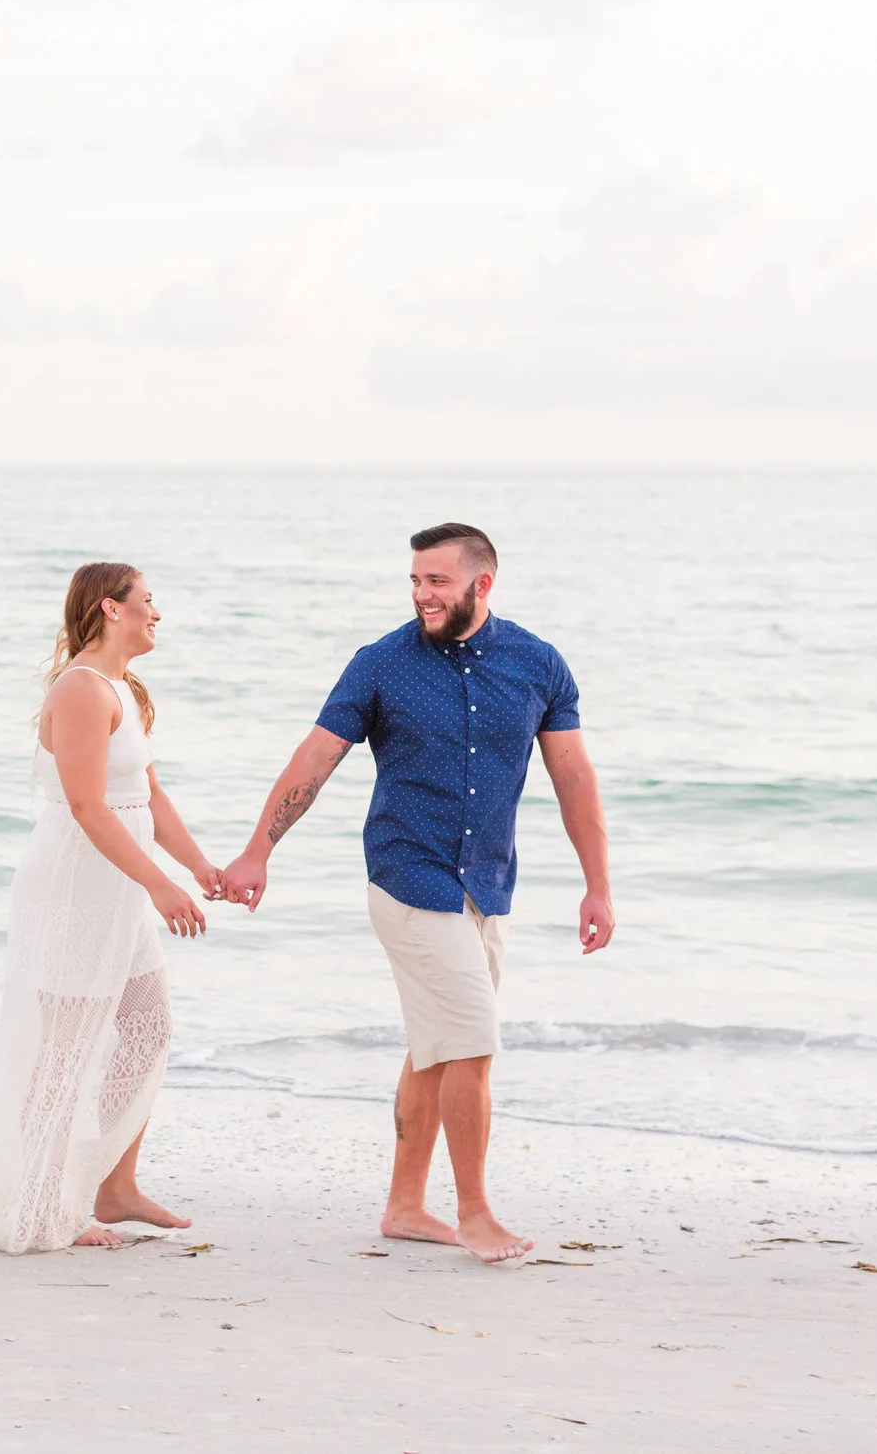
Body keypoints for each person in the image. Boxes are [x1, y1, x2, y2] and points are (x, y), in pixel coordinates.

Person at [221, 524, 614, 1264]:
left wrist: (598, 885)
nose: (421, 594)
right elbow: (316, 757)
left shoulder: (538, 664)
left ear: (482, 584)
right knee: (473, 1039)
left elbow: (574, 778)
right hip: (407, 874)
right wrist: (257, 850)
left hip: (487, 883)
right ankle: (475, 1213)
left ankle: (405, 1205)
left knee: (437, 1048)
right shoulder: (381, 664)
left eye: (436, 580)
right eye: (414, 580)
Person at [0, 563, 228, 1253]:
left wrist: (200, 867)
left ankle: (114, 1184)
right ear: (110, 608)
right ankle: (38, 1209)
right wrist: (159, 883)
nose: (157, 612)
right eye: (147, 601)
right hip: (76, 883)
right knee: (63, 1048)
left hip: (118, 882)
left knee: (149, 1025)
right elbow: (89, 806)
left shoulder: (122, 688)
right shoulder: (79, 690)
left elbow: (149, 797)